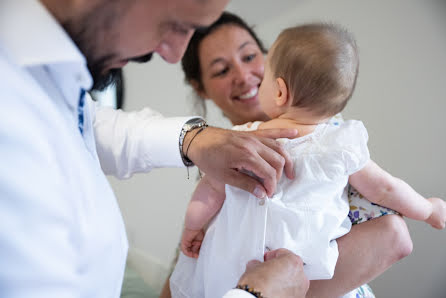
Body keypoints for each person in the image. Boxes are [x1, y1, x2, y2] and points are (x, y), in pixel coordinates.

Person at [0, 1, 311, 297]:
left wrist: (193, 138)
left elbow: (96, 126)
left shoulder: (54, 80)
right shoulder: (13, 112)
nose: (174, 54)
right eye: (175, 24)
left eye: (248, 56)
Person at [170, 22, 446, 298]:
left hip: (240, 274)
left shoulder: (240, 141)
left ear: (279, 90)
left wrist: (192, 228)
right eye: (222, 70)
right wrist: (428, 210)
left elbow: (208, 194)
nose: (243, 75)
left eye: (250, 57)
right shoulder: (342, 144)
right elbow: (386, 189)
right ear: (200, 87)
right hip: (311, 268)